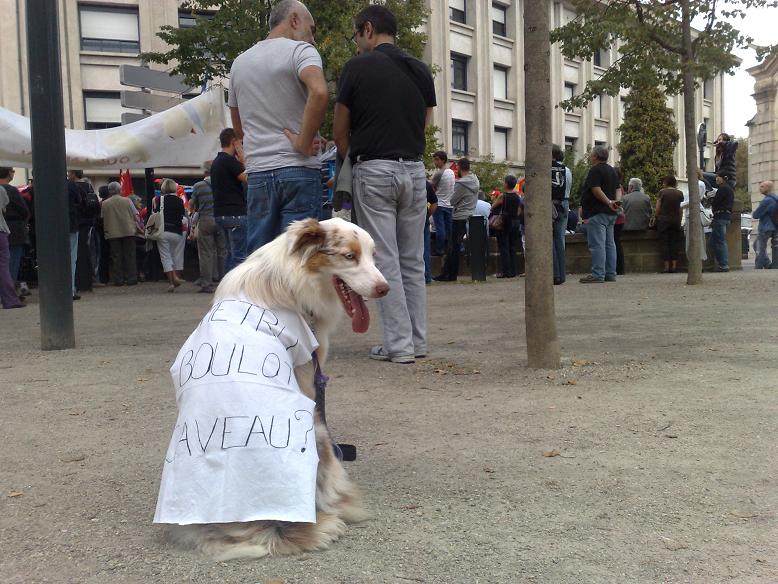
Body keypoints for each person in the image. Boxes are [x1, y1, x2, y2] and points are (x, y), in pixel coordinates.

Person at [333, 4, 436, 364]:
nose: (357, 41)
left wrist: (356, 159)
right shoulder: (420, 70)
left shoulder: (356, 68)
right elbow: (424, 122)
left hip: (374, 168)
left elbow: (339, 130)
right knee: (413, 260)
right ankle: (417, 341)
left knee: (385, 260)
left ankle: (399, 345)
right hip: (414, 169)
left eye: (356, 33)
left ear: (368, 29)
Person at [228, 0, 328, 253]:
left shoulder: (239, 63)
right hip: (299, 171)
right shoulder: (301, 52)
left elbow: (239, 128)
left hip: (260, 173)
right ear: (294, 20)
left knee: (261, 259)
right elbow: (318, 91)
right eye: (311, 28)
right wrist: (304, 142)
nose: (313, 38)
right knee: (300, 258)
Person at [579, 145, 620, 283]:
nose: (591, 157)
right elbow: (618, 188)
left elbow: (596, 189)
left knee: (597, 244)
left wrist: (608, 202)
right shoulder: (612, 170)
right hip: (611, 213)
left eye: (591, 155)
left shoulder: (595, 170)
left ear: (595, 156)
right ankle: (610, 273)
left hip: (597, 212)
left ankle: (598, 274)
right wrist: (616, 202)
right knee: (610, 244)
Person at [435, 158, 478, 282]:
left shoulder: (461, 184)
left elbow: (452, 201)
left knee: (453, 247)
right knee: (456, 245)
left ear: (459, 167)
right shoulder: (475, 180)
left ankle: (450, 274)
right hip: (469, 214)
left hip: (459, 216)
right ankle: (449, 273)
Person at [211, 128, 248, 272]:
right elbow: (247, 178)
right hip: (235, 213)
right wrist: (243, 159)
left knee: (230, 254)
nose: (242, 146)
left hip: (221, 214)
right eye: (241, 143)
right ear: (234, 142)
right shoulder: (229, 161)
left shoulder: (217, 162)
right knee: (240, 256)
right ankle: (236, 290)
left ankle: (226, 287)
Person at [191, 162, 227, 292]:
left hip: (206, 220)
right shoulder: (223, 184)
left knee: (206, 253)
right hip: (221, 219)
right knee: (223, 252)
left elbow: (194, 206)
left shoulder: (198, 186)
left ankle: (206, 283)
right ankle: (224, 282)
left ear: (204, 172)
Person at [100, 181, 138, 286]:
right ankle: (131, 278)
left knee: (116, 257)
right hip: (128, 230)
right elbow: (136, 215)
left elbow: (102, 217)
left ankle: (118, 279)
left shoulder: (105, 203)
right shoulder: (127, 201)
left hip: (112, 232)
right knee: (129, 255)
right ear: (119, 189)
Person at [0, 168, 30, 299]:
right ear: (7, 173)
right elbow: (24, 210)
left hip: (5, 228)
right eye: (12, 170)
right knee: (11, 263)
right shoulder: (10, 190)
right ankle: (9, 294)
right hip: (14, 230)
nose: (13, 172)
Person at [155, 179, 187, 292]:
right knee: (176, 255)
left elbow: (156, 213)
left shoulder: (160, 200)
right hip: (177, 232)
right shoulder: (179, 201)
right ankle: (176, 278)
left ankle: (172, 281)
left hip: (163, 231)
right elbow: (183, 215)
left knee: (166, 257)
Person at [491, 174, 522, 279]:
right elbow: (519, 211)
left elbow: (493, 207)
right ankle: (513, 270)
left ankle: (506, 271)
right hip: (515, 222)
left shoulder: (502, 196)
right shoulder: (517, 196)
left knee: (504, 247)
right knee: (512, 247)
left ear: (506, 184)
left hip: (504, 222)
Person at [0, 185, 25, 309]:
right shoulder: (1, 190)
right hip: (0, 230)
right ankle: (10, 299)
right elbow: (4, 207)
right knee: (4, 267)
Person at [654, 176, 684, 273]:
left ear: (666, 183)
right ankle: (674, 266)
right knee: (675, 242)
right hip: (675, 220)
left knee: (664, 242)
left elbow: (658, 206)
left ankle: (666, 266)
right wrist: (679, 219)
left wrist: (656, 216)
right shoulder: (679, 193)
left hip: (664, 220)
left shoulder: (662, 192)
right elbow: (680, 208)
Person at [551, 144, 572, 285]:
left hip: (552, 204)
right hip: (564, 203)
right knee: (560, 239)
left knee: (549, 240)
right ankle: (562, 274)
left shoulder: (546, 168)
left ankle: (555, 274)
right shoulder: (567, 170)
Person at [430, 151, 455, 255]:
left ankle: (439, 249)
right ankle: (450, 248)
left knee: (440, 228)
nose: (435, 162)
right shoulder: (451, 172)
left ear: (442, 160)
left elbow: (432, 188)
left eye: (436, 159)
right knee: (449, 228)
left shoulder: (439, 173)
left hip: (439, 204)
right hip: (449, 204)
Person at [751, 180, 778, 269]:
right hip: (774, 226)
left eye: (762, 186)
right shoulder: (775, 199)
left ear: (768, 188)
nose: (760, 188)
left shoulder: (767, 201)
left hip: (766, 227)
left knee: (760, 247)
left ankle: (758, 267)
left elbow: (756, 215)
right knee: (757, 245)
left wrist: (756, 212)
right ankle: (767, 264)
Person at [711, 170, 735, 272]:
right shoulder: (729, 189)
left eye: (718, 177)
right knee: (716, 240)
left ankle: (723, 265)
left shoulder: (722, 189)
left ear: (724, 178)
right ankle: (721, 263)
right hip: (726, 216)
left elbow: (716, 202)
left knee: (720, 241)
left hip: (720, 216)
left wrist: (712, 201)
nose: (717, 178)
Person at [66, 176, 82, 300]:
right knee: (71, 258)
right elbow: (79, 202)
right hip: (70, 224)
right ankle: (70, 289)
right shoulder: (71, 186)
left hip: (49, 229)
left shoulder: (43, 185)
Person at [423, 180, 438, 284]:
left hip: (403, 221)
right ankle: (426, 276)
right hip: (422, 219)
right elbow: (434, 203)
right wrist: (427, 215)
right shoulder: (425, 184)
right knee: (425, 249)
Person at [613, 167, 626, 275]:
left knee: (614, 242)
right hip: (620, 219)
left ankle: (618, 267)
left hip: (616, 219)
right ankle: (619, 267)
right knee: (617, 242)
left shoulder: (616, 187)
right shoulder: (620, 187)